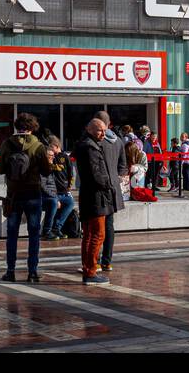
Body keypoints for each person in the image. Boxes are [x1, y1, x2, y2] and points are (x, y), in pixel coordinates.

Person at [0, 112, 56, 283]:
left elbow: (0, 169)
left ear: (17, 126)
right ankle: (32, 271)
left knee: (12, 233)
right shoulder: (38, 146)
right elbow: (46, 171)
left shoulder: (7, 144)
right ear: (32, 127)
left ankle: (10, 271)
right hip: (33, 194)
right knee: (34, 233)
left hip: (13, 194)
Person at [73, 117, 117, 284]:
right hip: (96, 196)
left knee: (89, 235)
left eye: (105, 131)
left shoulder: (87, 145)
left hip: (89, 195)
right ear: (90, 129)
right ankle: (90, 271)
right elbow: (96, 174)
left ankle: (88, 268)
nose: (103, 134)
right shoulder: (90, 147)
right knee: (97, 234)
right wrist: (109, 185)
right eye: (100, 130)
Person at [98, 111, 127, 273]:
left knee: (95, 227)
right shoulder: (119, 142)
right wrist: (115, 177)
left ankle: (93, 261)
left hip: (99, 189)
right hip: (114, 188)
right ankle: (107, 261)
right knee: (109, 226)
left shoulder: (97, 142)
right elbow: (123, 167)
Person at [42, 135, 76, 240]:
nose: (49, 150)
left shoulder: (65, 157)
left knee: (70, 202)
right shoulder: (48, 157)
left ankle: (57, 227)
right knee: (53, 203)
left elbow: (71, 173)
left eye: (50, 147)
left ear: (56, 146)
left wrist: (69, 187)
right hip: (52, 193)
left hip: (63, 192)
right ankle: (47, 230)